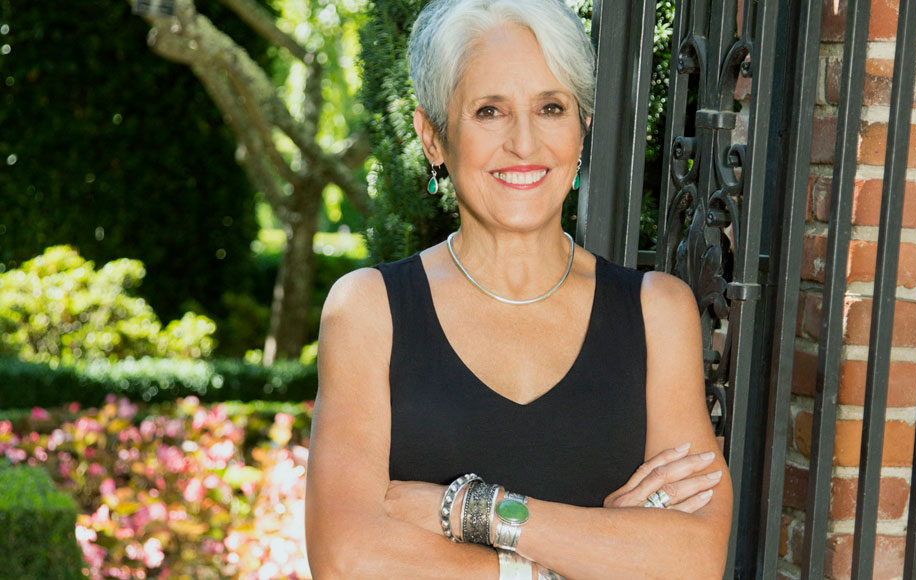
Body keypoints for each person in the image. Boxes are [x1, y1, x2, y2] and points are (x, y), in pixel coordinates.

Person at [304, 0, 733, 578]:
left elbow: (693, 560)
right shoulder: (368, 310)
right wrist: (574, 558)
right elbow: (347, 557)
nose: (525, 144)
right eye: (489, 111)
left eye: (550, 108)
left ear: (582, 125)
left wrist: (466, 511)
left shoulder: (657, 311)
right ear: (432, 137)